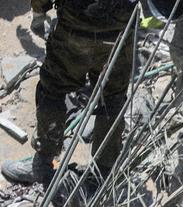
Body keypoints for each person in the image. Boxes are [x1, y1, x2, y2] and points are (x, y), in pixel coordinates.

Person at [3, 0, 136, 187]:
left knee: (52, 90)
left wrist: (40, 10)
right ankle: (104, 171)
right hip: (120, 31)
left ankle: (43, 163)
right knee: (113, 98)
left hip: (76, 30)